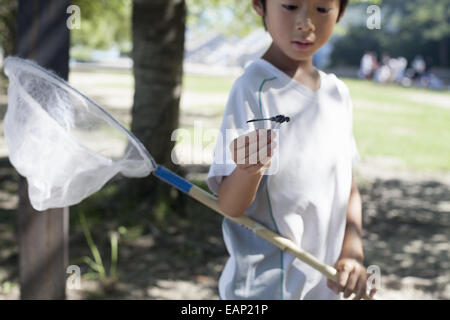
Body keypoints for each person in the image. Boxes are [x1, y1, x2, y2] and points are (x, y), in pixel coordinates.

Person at [207, 0, 376, 300]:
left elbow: (349, 188)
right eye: (289, 5)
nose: (306, 22)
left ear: (341, 12)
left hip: (324, 290)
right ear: (260, 6)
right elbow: (230, 206)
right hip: (262, 292)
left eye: (322, 10)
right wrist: (249, 170)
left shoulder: (338, 94)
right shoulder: (251, 88)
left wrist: (352, 252)